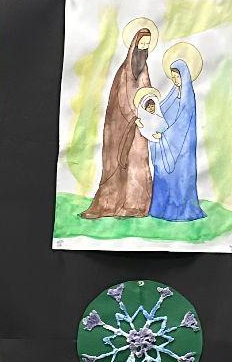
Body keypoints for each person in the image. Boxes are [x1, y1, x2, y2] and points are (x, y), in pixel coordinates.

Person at [82, 22, 156, 219]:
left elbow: (146, 92)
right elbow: (121, 99)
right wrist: (133, 115)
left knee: (138, 161)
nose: (144, 47)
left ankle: (136, 205)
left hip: (139, 126)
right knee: (118, 164)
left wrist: (147, 111)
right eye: (142, 43)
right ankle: (110, 204)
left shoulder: (144, 69)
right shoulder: (124, 72)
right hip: (123, 126)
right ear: (134, 45)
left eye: (147, 44)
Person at [148, 51, 206, 222]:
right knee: (163, 173)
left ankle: (179, 211)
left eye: (177, 77)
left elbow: (183, 123)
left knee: (180, 177)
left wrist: (164, 132)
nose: (175, 80)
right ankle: (160, 209)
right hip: (168, 143)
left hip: (182, 147)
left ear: (185, 77)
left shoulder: (188, 98)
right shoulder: (173, 94)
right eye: (172, 77)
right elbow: (161, 109)